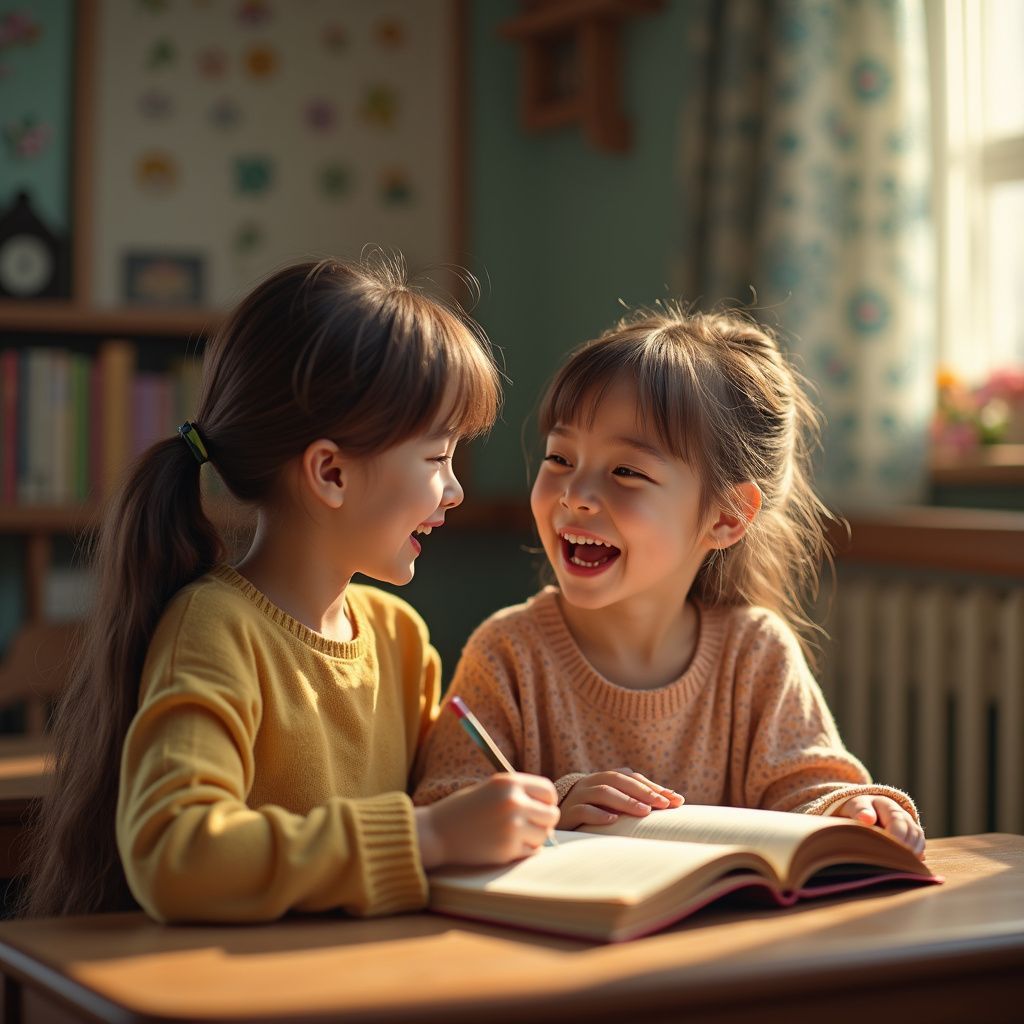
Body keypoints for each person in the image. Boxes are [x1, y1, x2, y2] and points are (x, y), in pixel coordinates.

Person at [21, 255, 559, 922]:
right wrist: (431, 837)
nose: (454, 491)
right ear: (330, 472)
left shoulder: (398, 638)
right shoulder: (214, 631)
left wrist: (550, 804)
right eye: (437, 458)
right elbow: (176, 853)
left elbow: (442, 798)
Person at [413, 305, 925, 858]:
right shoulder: (508, 652)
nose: (575, 493)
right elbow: (442, 808)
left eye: (626, 471)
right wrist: (556, 804)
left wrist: (851, 810)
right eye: (559, 457)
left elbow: (807, 790)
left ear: (727, 516)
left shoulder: (756, 653)